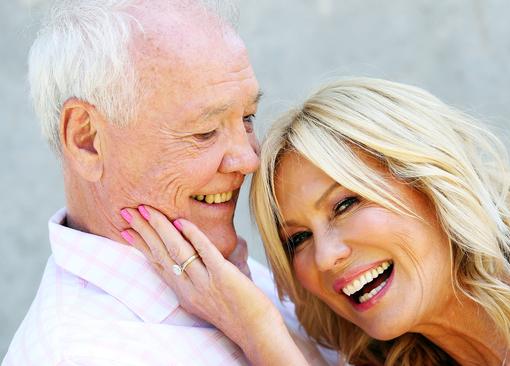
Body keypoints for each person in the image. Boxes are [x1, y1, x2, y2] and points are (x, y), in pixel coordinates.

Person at [121, 77, 510, 365]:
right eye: (297, 239)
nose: (325, 257)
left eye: (345, 204)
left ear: (433, 184)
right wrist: (260, 329)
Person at [3, 1, 330, 365]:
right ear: (87, 140)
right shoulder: (82, 353)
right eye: (205, 132)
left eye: (248, 118)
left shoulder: (221, 273)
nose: (249, 160)